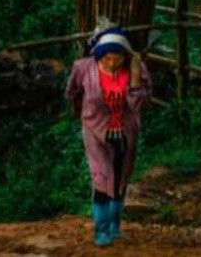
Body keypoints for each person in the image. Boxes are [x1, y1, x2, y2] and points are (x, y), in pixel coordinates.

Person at [65, 24, 153, 246]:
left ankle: (115, 226)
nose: (113, 63)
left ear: (125, 56)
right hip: (96, 131)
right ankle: (101, 231)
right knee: (101, 179)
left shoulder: (137, 68)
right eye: (108, 59)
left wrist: (133, 76)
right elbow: (72, 92)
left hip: (125, 133)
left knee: (120, 182)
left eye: (118, 58)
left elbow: (138, 104)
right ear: (100, 56)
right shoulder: (83, 68)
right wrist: (80, 112)